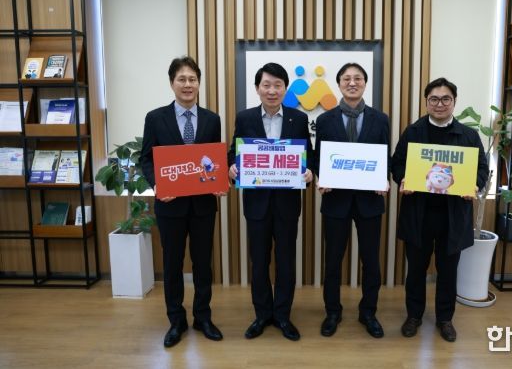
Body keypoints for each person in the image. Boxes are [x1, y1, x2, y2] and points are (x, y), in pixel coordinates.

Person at [391, 77, 488, 342]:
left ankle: (445, 319)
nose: (440, 104)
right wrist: (403, 178)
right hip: (419, 213)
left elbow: (482, 168)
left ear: (454, 102)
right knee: (416, 270)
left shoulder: (468, 135)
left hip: (453, 215)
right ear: (426, 102)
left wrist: (474, 184)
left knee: (448, 270)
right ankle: (414, 316)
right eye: (434, 99)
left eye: (446, 99)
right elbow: (397, 163)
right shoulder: (413, 132)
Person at [141, 56, 225, 348]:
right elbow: (146, 159)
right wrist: (157, 185)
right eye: (182, 79)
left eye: (192, 79)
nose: (187, 84)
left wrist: (219, 181)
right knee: (172, 264)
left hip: (203, 206)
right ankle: (176, 320)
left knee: (203, 264)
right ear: (172, 83)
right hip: (170, 205)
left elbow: (214, 160)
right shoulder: (155, 118)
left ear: (199, 83)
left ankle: (203, 317)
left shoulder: (212, 119)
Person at [227, 62, 313, 341]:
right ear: (257, 88)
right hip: (257, 205)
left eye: (278, 85)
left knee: (286, 262)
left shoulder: (299, 119)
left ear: (285, 89)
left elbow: (308, 156)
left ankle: (283, 315)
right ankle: (263, 314)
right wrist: (232, 167)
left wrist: (309, 173)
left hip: (287, 204)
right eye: (267, 85)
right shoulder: (245, 118)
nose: (272, 90)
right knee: (259, 261)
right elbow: (234, 151)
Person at [314, 63, 390, 338]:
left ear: (365, 84)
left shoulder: (381, 119)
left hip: (370, 201)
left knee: (371, 261)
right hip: (336, 200)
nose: (352, 82)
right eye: (346, 78)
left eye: (358, 78)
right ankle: (332, 312)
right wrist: (321, 177)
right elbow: (318, 157)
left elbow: (385, 155)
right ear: (339, 84)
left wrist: (384, 179)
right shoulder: (325, 120)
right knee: (333, 261)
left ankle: (368, 312)